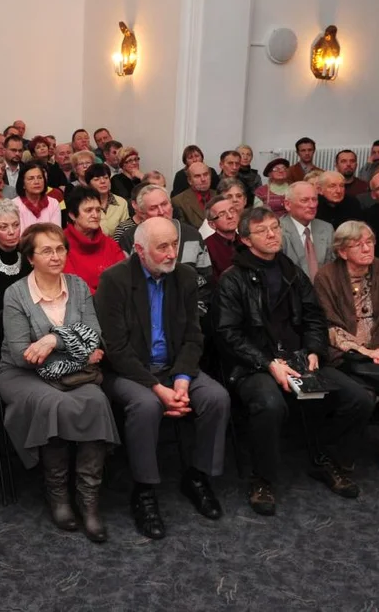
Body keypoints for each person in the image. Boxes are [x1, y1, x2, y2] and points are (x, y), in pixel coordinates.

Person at [212, 207, 375, 515]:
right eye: (264, 231)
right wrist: (268, 363)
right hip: (254, 364)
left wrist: (315, 350)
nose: (273, 234)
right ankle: (263, 478)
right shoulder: (233, 280)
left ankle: (324, 457)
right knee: (271, 404)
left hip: (299, 358)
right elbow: (228, 335)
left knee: (360, 399)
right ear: (246, 240)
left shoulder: (291, 271)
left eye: (275, 228)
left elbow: (314, 316)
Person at [96, 218, 230, 538]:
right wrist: (157, 388)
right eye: (162, 247)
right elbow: (115, 349)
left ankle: (197, 476)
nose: (172, 253)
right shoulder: (114, 280)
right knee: (146, 406)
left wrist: (181, 380)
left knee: (216, 397)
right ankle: (143, 490)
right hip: (130, 371)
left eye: (174, 244)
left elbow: (193, 337)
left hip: (173, 368)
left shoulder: (183, 277)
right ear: (139, 250)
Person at [0, 222, 118, 542]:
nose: (56, 256)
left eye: (60, 248)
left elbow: (95, 337)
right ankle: (59, 496)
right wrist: (75, 347)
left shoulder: (78, 286)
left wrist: (52, 340)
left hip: (72, 373)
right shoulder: (15, 294)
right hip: (22, 376)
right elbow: (22, 353)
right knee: (55, 403)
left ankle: (89, 500)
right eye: (47, 250)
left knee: (96, 400)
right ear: (30, 258)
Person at [313, 221, 379, 476]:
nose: (367, 248)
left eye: (370, 242)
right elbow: (329, 325)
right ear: (342, 251)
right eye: (358, 244)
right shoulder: (326, 276)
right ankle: (344, 448)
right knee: (362, 397)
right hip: (344, 350)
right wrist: (366, 353)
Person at [62, 187, 124, 294]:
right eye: (88, 210)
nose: (95, 215)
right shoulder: (61, 244)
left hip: (114, 302)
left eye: (98, 210)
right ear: (72, 215)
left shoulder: (110, 244)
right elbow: (71, 285)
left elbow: (124, 276)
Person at [280, 182, 334, 279]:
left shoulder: (326, 228)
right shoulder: (278, 230)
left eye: (314, 200)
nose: (312, 205)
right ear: (288, 204)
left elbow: (333, 267)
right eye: (304, 200)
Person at [83, 163, 129, 237]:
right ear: (89, 184)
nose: (103, 181)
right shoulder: (84, 204)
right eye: (96, 179)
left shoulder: (121, 202)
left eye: (106, 178)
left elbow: (125, 231)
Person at [14, 161, 61, 231]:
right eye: (31, 178)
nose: (36, 182)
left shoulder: (53, 203)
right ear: (23, 184)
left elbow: (56, 232)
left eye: (39, 177)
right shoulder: (14, 205)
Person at [204, 195, 240, 280]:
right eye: (222, 214)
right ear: (212, 224)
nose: (230, 216)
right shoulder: (207, 247)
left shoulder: (247, 240)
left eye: (232, 210)